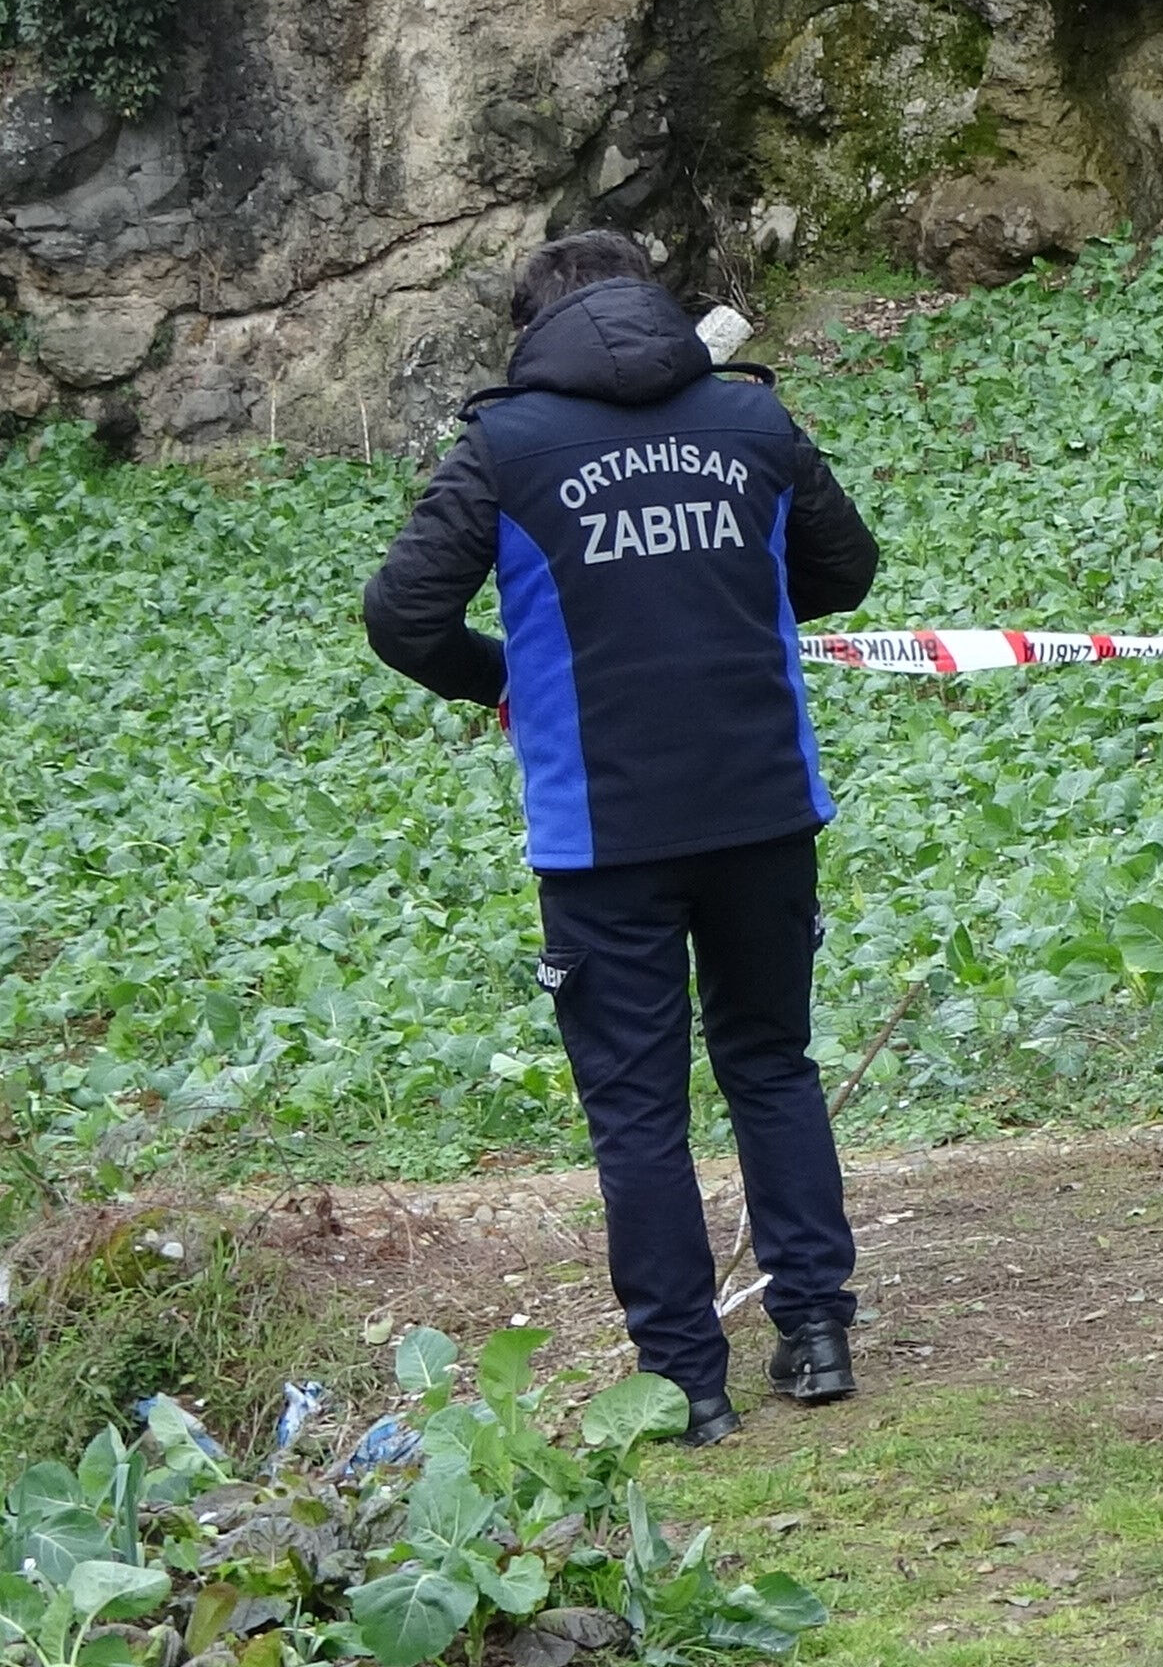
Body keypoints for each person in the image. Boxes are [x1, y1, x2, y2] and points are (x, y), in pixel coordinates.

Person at [362, 232, 880, 1444]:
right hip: (763, 808)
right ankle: (815, 1334)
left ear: (530, 327)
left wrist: (511, 675)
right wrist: (714, 610)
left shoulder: (503, 448)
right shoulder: (752, 424)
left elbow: (401, 616)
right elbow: (845, 570)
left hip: (605, 837)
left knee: (638, 1113)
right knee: (772, 1063)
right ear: (652, 305)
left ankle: (688, 1386)